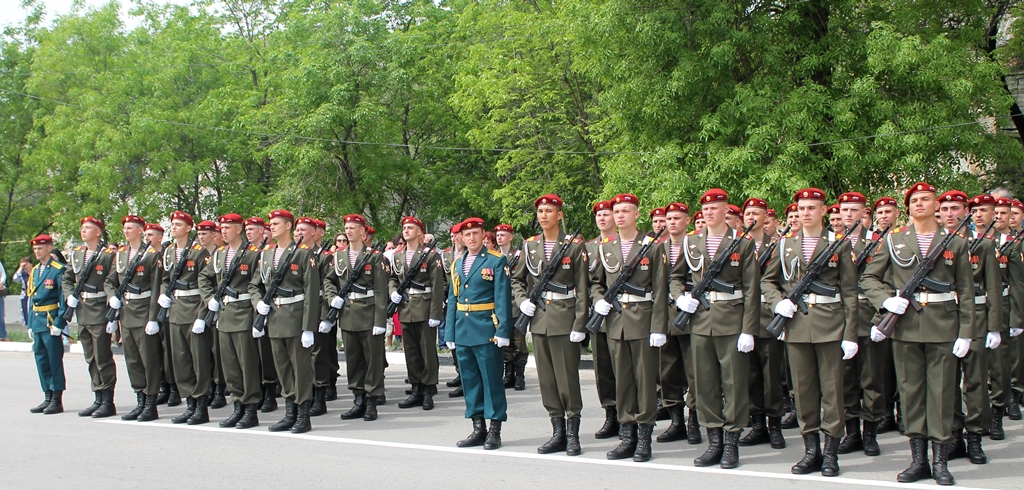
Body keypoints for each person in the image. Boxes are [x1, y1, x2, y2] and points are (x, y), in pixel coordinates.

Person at [861, 182, 974, 485]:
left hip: (943, 326)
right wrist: (886, 300)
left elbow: (966, 291)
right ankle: (918, 460)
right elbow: (869, 278)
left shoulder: (955, 242)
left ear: (936, 205)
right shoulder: (894, 239)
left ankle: (940, 462)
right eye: (914, 201)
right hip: (906, 326)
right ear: (908, 207)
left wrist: (966, 332)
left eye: (926, 199)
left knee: (941, 395)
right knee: (910, 393)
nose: (919, 204)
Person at [763, 188, 858, 477]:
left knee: (832, 393)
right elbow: (768, 282)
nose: (805, 213)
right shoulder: (785, 244)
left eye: (811, 208)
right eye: (801, 208)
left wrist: (850, 334)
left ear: (824, 210)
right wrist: (778, 303)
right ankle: (811, 451)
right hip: (797, 327)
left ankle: (830, 454)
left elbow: (850, 292)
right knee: (803, 393)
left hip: (831, 326)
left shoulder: (838, 243)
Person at [672, 189, 758, 469]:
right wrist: (680, 297)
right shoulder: (691, 241)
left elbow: (752, 289)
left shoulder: (742, 243)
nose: (709, 212)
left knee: (734, 384)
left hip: (732, 320)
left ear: (726, 211)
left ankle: (731, 442)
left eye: (715, 208)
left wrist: (748, 329)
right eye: (706, 209)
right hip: (700, 321)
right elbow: (676, 277)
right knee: (705, 383)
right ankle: (714, 442)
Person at [590, 193, 669, 463]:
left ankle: (644, 437)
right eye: (617, 211)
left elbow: (660, 289)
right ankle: (627, 435)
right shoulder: (606, 247)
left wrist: (659, 327)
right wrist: (598, 300)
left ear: (637, 214)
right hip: (616, 323)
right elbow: (596, 282)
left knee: (645, 382)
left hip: (643, 321)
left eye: (626, 211)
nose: (620, 215)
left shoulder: (652, 246)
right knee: (622, 381)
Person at [512, 194, 589, 455]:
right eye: (540, 211)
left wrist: (580, 323)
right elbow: (517, 279)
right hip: (539, 320)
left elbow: (583, 288)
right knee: (547, 379)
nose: (543, 215)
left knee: (567, 378)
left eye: (549, 211)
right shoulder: (530, 245)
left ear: (560, 215)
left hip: (565, 318)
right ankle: (557, 432)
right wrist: (522, 300)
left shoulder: (574, 246)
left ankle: (573, 433)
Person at [445, 217, 514, 450]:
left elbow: (502, 297)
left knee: (491, 380)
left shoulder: (496, 260)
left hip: (486, 329)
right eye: (467, 235)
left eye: (475, 233)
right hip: (463, 329)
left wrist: (503, 329)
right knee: (470, 380)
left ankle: (495, 430)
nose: (472, 238)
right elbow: (453, 299)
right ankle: (478, 427)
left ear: (483, 235)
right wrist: (450, 332)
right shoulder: (457, 264)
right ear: (461, 238)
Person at [250, 210, 321, 433]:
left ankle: (303, 415)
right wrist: (258, 303)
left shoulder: (303, 253)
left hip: (295, 317)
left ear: (288, 226)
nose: (271, 227)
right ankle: (290, 413)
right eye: (270, 223)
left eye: (276, 223)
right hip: (274, 318)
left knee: (301, 369)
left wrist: (308, 327)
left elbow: (311, 292)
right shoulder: (266, 254)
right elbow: (254, 285)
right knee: (282, 368)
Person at [836, 191, 890, 457]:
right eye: (845, 210)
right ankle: (852, 432)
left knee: (871, 378)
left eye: (854, 210)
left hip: (869, 314)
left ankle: (870, 433)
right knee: (845, 378)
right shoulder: (831, 242)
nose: (849, 214)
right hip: (841, 317)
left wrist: (881, 319)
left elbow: (888, 281)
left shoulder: (879, 242)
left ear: (864, 213)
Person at [199, 213, 264, 429]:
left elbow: (257, 284)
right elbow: (204, 277)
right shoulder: (219, 254)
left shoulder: (253, 253)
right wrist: (209, 299)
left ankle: (251, 408)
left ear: (239, 229)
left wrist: (257, 313)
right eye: (222, 228)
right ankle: (238, 406)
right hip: (225, 314)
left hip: (244, 313)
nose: (223, 231)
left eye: (228, 227)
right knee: (230, 365)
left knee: (247, 364)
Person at [324, 214, 388, 422]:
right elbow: (329, 280)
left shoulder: (374, 256)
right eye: (346, 228)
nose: (349, 231)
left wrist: (380, 321)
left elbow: (380, 290)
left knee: (372, 361)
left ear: (362, 231)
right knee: (353, 360)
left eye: (353, 228)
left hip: (369, 313)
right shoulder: (339, 256)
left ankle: (371, 402)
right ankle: (358, 399)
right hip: (348, 315)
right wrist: (332, 297)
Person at [105, 215, 164, 422]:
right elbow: (110, 281)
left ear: (140, 230)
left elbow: (156, 287)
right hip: (126, 313)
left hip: (144, 310)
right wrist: (112, 296)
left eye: (130, 228)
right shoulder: (121, 254)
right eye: (125, 228)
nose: (126, 231)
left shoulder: (151, 255)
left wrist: (153, 317)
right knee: (132, 360)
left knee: (149, 359)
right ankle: (140, 400)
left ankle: (151, 404)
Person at [739, 197, 786, 450]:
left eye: (756, 213)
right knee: (750, 375)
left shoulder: (778, 245)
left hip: (768, 315)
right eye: (747, 213)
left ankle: (775, 425)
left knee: (771, 376)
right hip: (741, 316)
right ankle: (757, 425)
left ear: (766, 217)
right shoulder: (736, 244)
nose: (751, 217)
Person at [160, 211, 214, 425]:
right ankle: (190, 403)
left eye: (178, 224)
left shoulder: (200, 252)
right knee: (181, 361)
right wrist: (164, 294)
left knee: (198, 361)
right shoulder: (169, 251)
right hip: (176, 311)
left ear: (188, 228)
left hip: (194, 310)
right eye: (172, 224)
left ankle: (201, 406)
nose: (174, 227)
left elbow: (207, 286)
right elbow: (165, 279)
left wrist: (202, 315)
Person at [62, 216, 118, 418]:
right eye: (83, 227)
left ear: (98, 232)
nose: (83, 231)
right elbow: (67, 278)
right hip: (82, 311)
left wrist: (113, 312)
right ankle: (98, 396)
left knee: (102, 357)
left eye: (88, 228)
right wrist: (69, 295)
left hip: (100, 308)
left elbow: (112, 281)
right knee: (90, 357)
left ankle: (108, 400)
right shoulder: (77, 254)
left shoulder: (108, 255)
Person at [389, 216, 445, 411]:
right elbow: (393, 278)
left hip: (425, 307)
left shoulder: (430, 255)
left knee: (427, 352)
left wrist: (436, 314)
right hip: (406, 308)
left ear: (420, 232)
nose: (406, 231)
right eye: (404, 228)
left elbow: (437, 286)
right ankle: (416, 389)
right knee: (411, 352)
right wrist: (393, 291)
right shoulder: (398, 255)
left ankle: (428, 390)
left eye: (410, 228)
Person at [656, 201, 700, 445]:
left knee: (695, 371)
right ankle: (676, 421)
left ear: (687, 220)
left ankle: (694, 420)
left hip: (692, 316)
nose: (671, 222)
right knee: (668, 371)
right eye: (668, 218)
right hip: (665, 316)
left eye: (676, 218)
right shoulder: (657, 248)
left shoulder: (696, 246)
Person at [587, 199, 620, 439]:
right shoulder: (588, 247)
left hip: (621, 314)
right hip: (597, 315)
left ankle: (629, 415)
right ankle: (611, 414)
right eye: (598, 215)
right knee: (603, 368)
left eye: (606, 214)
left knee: (624, 368)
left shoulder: (624, 244)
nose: (602, 218)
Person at [27, 234, 68, 415]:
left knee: (53, 360)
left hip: (51, 321)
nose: (37, 252)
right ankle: (47, 396)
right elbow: (32, 299)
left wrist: (59, 322)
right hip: (38, 321)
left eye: (40, 248)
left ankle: (57, 399)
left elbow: (63, 300)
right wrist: (30, 324)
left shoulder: (58, 269)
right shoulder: (35, 270)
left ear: (49, 248)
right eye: (35, 249)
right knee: (41, 359)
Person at [245, 216, 278, 412]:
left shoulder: (270, 252)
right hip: (248, 307)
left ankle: (270, 393)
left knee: (266, 353)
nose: (248, 233)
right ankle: (255, 390)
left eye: (252, 229)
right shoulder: (244, 252)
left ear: (262, 231)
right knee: (252, 353)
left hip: (268, 308)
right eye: (246, 230)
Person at [15, 257, 32, 328]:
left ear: (31, 263)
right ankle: (28, 327)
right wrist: (20, 268)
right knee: (25, 312)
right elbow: (15, 279)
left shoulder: (36, 271)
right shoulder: (23, 274)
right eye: (23, 266)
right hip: (25, 295)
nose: (25, 267)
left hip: (34, 294)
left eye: (26, 264)